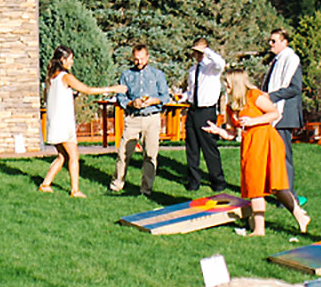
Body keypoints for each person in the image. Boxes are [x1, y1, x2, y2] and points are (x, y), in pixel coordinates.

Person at [205, 70, 310, 237]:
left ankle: (297, 215)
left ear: (236, 83)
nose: (225, 86)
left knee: (275, 185)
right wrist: (218, 131)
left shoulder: (254, 95)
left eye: (227, 83)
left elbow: (274, 113)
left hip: (267, 141)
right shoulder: (230, 105)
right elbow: (231, 133)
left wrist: (253, 121)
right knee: (254, 186)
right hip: (250, 145)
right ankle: (260, 229)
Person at [39, 45, 125, 198]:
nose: (72, 62)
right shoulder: (66, 77)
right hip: (63, 124)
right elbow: (87, 90)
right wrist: (112, 89)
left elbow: (52, 97)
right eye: (70, 59)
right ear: (63, 60)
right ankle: (75, 190)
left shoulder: (51, 78)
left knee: (62, 156)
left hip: (54, 123)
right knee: (74, 156)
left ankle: (45, 185)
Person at [109, 43, 170, 196]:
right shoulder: (127, 75)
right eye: (136, 59)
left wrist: (154, 101)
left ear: (147, 57)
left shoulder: (157, 75)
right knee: (123, 153)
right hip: (133, 118)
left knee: (150, 155)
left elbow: (165, 97)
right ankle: (117, 184)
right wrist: (131, 103)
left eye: (142, 59)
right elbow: (121, 97)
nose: (139, 62)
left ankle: (146, 189)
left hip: (152, 118)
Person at [262, 28, 303, 196]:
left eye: (274, 41)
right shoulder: (276, 61)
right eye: (270, 40)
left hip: (284, 114)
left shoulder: (291, 59)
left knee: (284, 156)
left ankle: (289, 195)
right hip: (273, 111)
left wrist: (271, 96)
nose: (270, 44)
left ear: (284, 42)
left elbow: (295, 88)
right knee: (275, 156)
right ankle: (278, 191)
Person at [183, 38, 226, 192]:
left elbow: (221, 63)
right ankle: (193, 181)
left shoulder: (212, 67)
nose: (198, 54)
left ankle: (218, 181)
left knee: (209, 148)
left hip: (206, 111)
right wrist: (183, 97)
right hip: (193, 109)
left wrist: (206, 51)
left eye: (199, 51)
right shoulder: (193, 70)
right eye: (195, 52)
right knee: (192, 147)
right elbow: (192, 89)